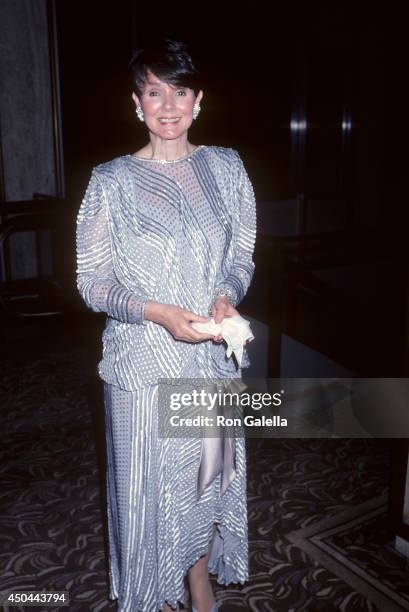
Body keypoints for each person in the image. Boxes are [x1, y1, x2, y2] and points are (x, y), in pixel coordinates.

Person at [75, 38, 257, 612]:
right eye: (155, 92)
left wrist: (227, 297)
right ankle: (146, 596)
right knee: (147, 496)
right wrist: (157, 312)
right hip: (141, 367)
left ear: (199, 100)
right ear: (137, 103)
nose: (169, 105)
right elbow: (92, 280)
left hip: (208, 361)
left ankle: (198, 581)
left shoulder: (226, 168)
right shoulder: (111, 182)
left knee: (204, 484)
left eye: (180, 91)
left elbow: (241, 254)